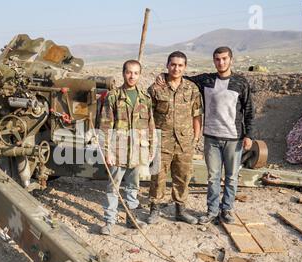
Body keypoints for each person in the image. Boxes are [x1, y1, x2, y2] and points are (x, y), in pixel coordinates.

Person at [157, 47, 255, 224]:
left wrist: (249, 134)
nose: (221, 62)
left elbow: (248, 109)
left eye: (224, 59)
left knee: (232, 177)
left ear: (231, 60)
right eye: (217, 59)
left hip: (234, 137)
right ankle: (212, 210)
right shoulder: (207, 80)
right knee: (213, 176)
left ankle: (227, 209)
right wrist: (164, 76)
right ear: (214, 61)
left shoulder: (240, 82)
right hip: (211, 137)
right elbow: (181, 77)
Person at [98, 59, 155, 236]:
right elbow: (105, 125)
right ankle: (109, 221)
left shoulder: (145, 98)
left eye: (136, 73)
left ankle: (131, 219)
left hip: (138, 150)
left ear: (140, 75)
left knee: (133, 187)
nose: (132, 76)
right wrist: (107, 151)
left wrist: (151, 148)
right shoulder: (113, 96)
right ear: (123, 73)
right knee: (113, 188)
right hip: (118, 151)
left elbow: (150, 125)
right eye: (129, 72)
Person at [147, 51, 203, 225]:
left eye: (180, 65)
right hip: (161, 140)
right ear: (167, 65)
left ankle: (180, 210)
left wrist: (196, 137)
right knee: (158, 176)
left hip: (184, 141)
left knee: (183, 176)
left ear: (185, 67)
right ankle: (154, 208)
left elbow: (197, 114)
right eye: (173, 64)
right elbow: (148, 115)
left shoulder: (192, 89)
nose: (176, 68)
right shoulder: (156, 88)